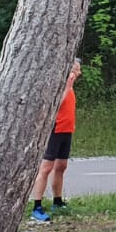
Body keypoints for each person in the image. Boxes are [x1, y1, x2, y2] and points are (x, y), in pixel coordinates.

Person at [30, 59, 80, 222]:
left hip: (66, 131)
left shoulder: (70, 88)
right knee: (46, 168)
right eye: (76, 70)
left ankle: (57, 201)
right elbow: (55, 105)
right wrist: (67, 86)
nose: (79, 73)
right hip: (55, 130)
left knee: (61, 166)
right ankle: (36, 206)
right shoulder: (58, 87)